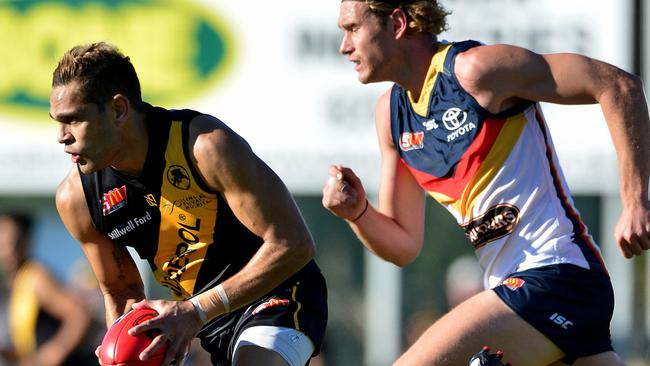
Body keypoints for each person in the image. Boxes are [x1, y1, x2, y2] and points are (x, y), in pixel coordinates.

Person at [322, 1, 650, 365]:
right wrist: (358, 213)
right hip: (520, 294)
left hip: (557, 277)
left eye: (352, 28)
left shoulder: (474, 71)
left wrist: (634, 201)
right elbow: (403, 244)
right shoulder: (391, 116)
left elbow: (617, 85)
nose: (344, 46)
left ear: (397, 23)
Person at [50, 42, 328, 366]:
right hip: (204, 322)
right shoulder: (77, 198)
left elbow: (293, 244)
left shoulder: (205, 146)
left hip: (277, 296)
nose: (61, 135)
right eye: (57, 121)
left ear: (118, 110)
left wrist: (195, 311)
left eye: (74, 120)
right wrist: (126, 351)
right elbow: (121, 290)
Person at [0, 212, 91, 366]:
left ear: (27, 241)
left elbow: (79, 315)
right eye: (4, 244)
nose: (10, 250)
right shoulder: (13, 281)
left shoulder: (36, 278)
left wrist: (55, 351)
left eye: (15, 243)